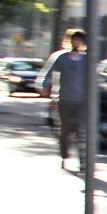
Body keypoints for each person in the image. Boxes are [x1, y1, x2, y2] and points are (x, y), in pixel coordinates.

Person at [37, 29, 89, 170]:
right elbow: (47, 74)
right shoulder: (61, 58)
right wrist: (44, 86)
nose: (77, 42)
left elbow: (93, 79)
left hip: (81, 102)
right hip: (64, 100)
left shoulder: (86, 60)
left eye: (79, 40)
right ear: (70, 41)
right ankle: (64, 156)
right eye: (74, 39)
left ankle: (83, 162)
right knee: (64, 131)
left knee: (81, 131)